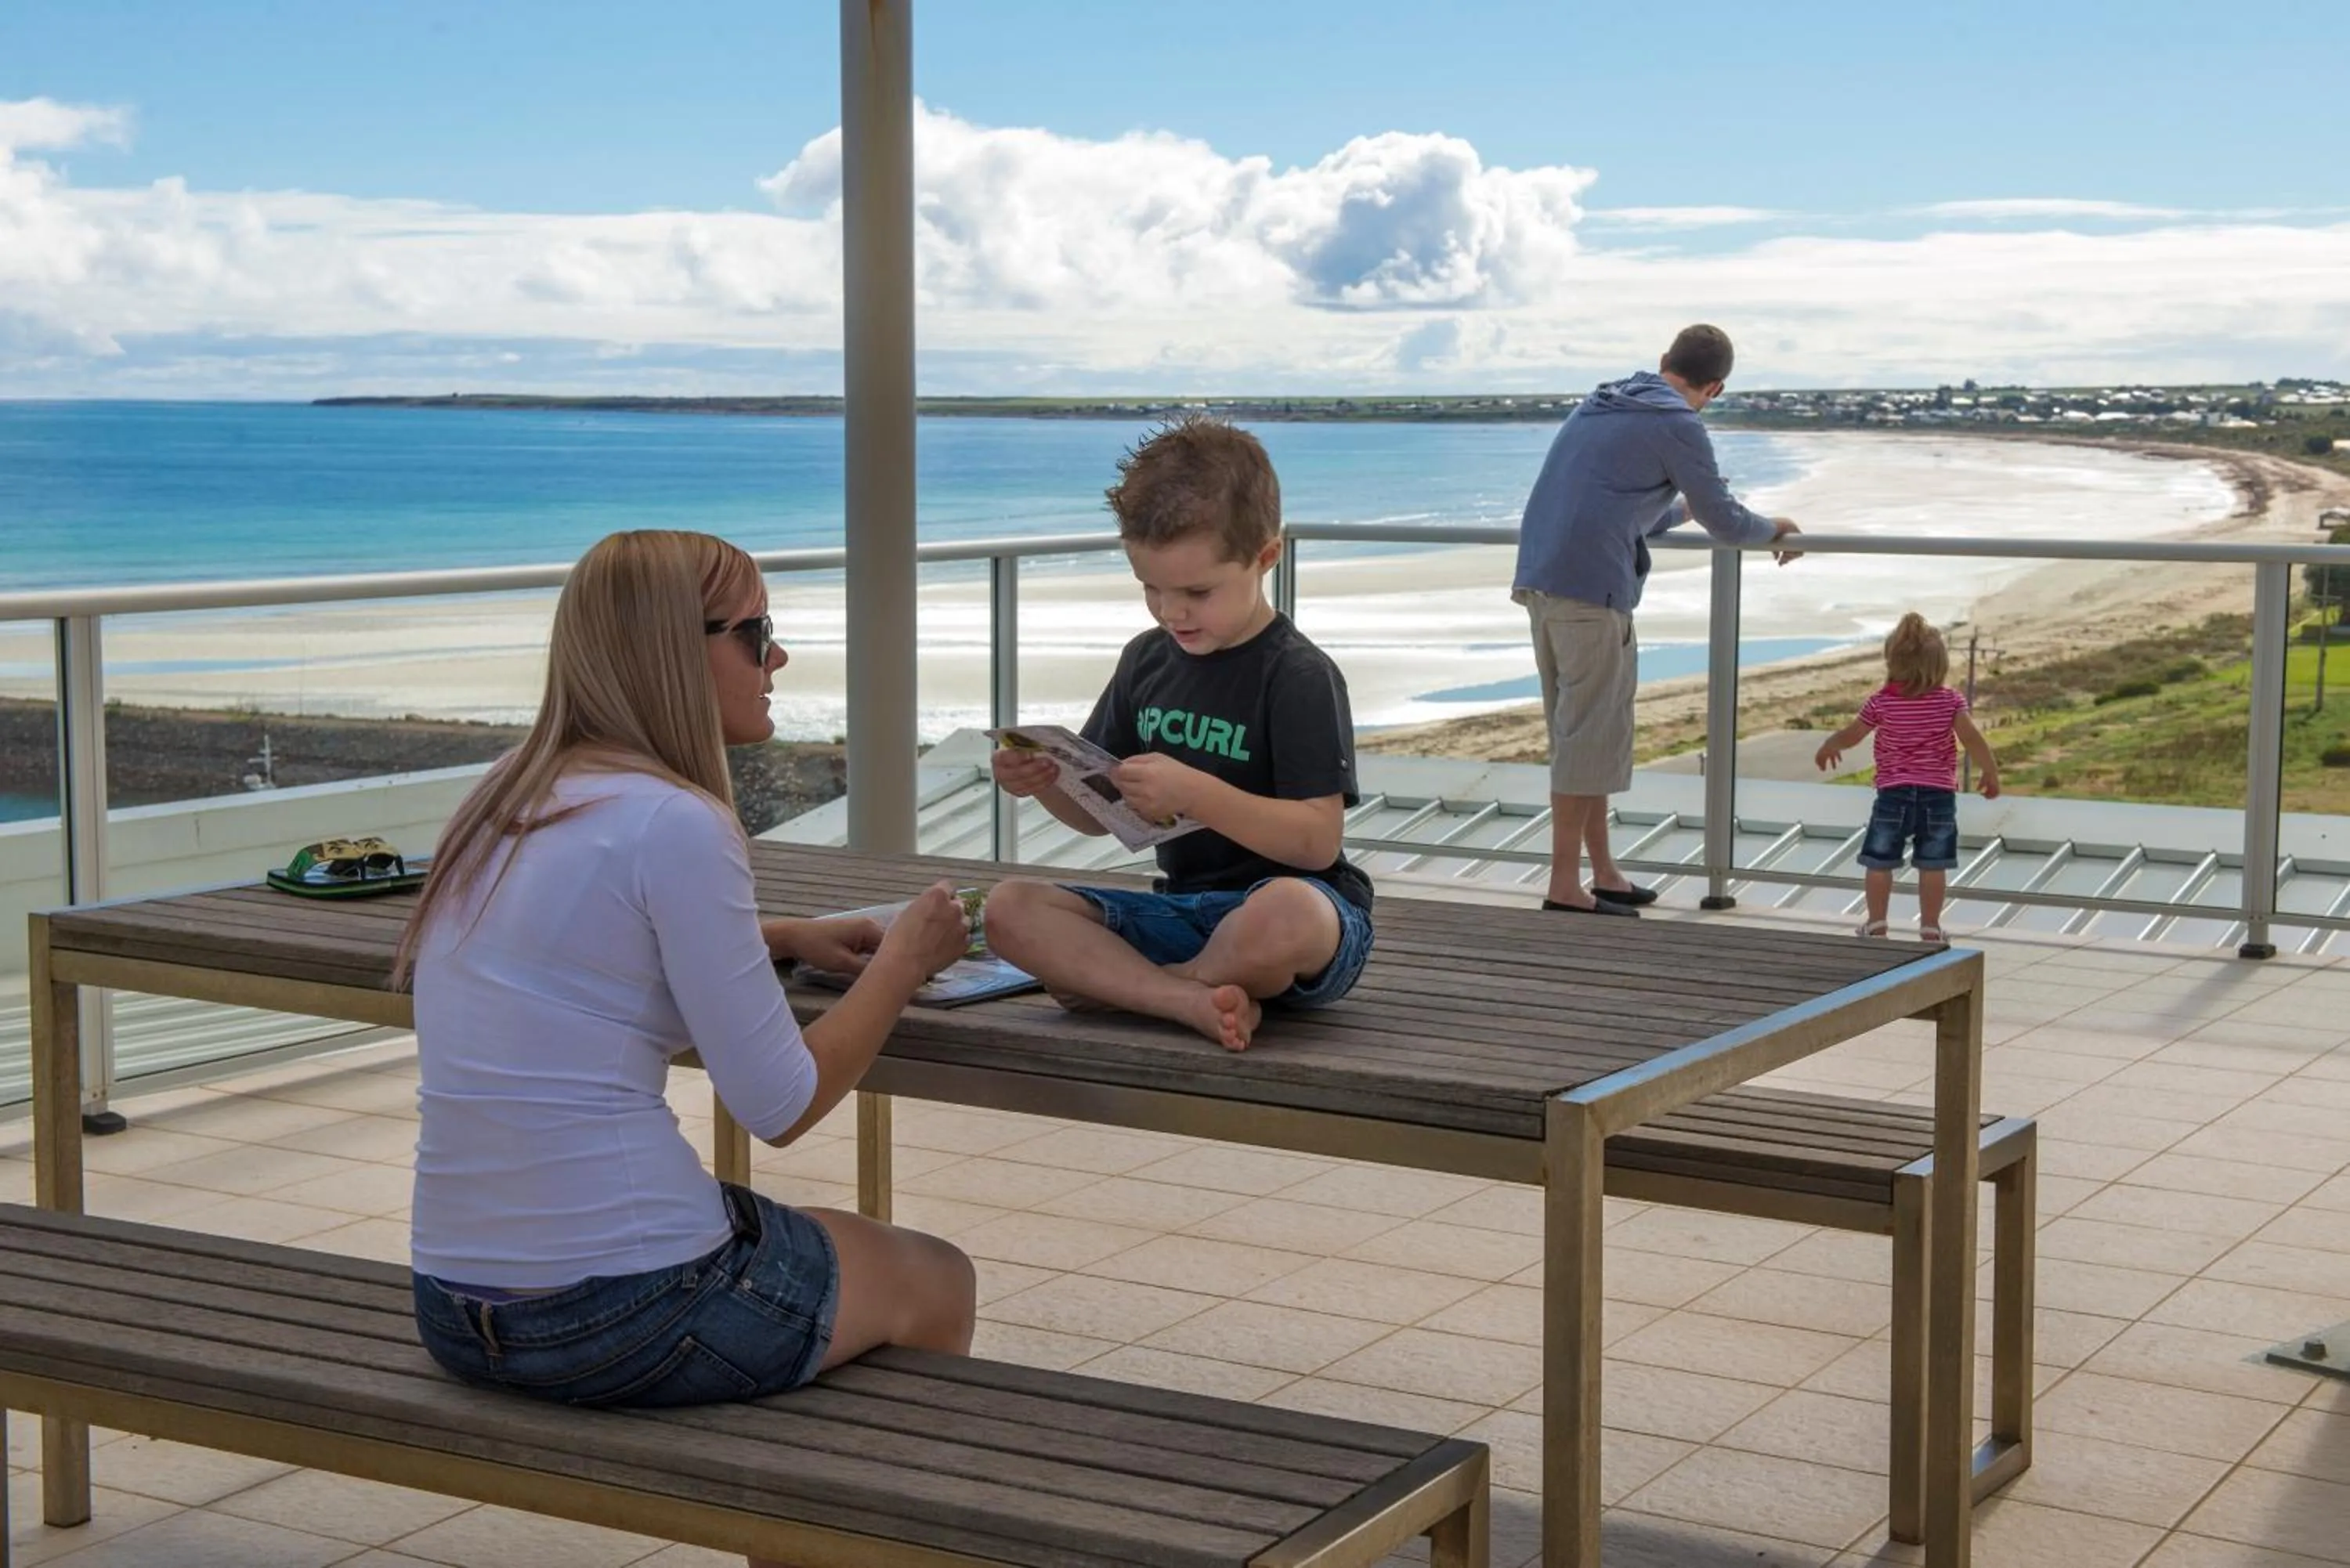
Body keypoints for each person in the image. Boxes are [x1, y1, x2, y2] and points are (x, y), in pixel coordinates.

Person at [396, 530, 975, 1567]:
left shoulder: (502, 799)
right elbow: (779, 1102)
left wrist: (784, 938)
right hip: (622, 1310)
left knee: (818, 1253)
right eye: (757, 633)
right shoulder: (678, 823)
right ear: (675, 649)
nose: (778, 658)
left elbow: (585, 956)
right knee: (934, 1276)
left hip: (455, 1302)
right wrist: (904, 962)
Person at [983, 417, 1376, 1052]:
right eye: (1151, 589)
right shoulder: (1147, 659)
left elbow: (1316, 842)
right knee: (1010, 907)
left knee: (1287, 912)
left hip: (1301, 916)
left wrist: (1195, 793)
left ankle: (1149, 988)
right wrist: (1046, 783)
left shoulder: (1298, 675)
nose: (1172, 613)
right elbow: (1098, 815)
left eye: (1197, 591)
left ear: (1265, 558)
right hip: (1182, 909)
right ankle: (1188, 998)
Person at [1512, 323, 1802, 916]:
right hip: (1591, 592)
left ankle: (1604, 873)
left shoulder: (1603, 401)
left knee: (1587, 737)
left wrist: (1679, 513)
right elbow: (1729, 522)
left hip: (1543, 579)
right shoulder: (1678, 423)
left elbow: (1615, 503)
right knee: (1586, 739)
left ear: (1664, 359)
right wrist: (1775, 527)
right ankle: (1564, 885)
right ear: (1715, 388)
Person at [1813, 612, 2001, 943]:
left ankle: (1877, 923)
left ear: (1892, 662)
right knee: (1933, 864)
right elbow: (1971, 738)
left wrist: (1831, 744)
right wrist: (1990, 770)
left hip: (1893, 794)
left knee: (1879, 861)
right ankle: (1929, 926)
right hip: (1938, 795)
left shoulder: (1881, 703)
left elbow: (1854, 734)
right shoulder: (1950, 701)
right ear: (1939, 665)